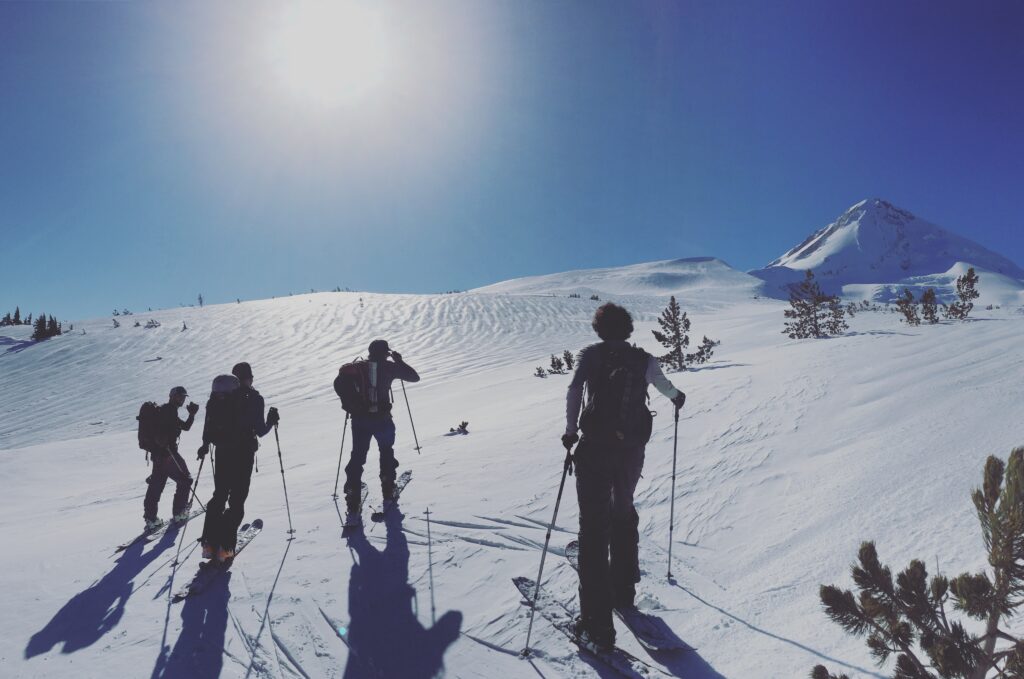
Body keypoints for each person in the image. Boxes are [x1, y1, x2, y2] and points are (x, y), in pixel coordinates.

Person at [562, 303, 686, 650]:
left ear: (599, 329)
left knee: (593, 527)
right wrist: (677, 397)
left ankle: (597, 625)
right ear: (628, 328)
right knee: (623, 511)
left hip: (594, 450)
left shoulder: (591, 355)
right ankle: (624, 589)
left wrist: (571, 431)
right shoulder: (644, 359)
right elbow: (664, 387)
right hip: (631, 450)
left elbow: (574, 391)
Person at [198, 362, 279, 562]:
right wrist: (271, 420)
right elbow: (260, 430)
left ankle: (209, 543)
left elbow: (208, 426)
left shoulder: (217, 398)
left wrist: (205, 444)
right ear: (249, 377)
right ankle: (225, 548)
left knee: (219, 496)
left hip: (223, 453)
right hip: (243, 454)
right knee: (237, 499)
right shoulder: (253, 399)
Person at [335, 339, 420, 517]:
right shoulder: (389, 367)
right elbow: (414, 377)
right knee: (386, 451)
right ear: (386, 353)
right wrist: (399, 360)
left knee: (357, 458)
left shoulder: (357, 368)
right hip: (382, 419)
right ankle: (388, 490)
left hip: (359, 421)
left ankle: (352, 500)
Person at [143, 386, 200, 529]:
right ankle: (179, 513)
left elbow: (185, 427)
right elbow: (161, 431)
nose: (182, 399)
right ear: (172, 396)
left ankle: (151, 519)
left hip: (158, 456)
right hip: (168, 454)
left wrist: (191, 415)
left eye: (183, 397)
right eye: (179, 396)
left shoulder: (168, 411)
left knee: (156, 486)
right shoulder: (168, 411)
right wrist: (163, 442)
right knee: (185, 480)